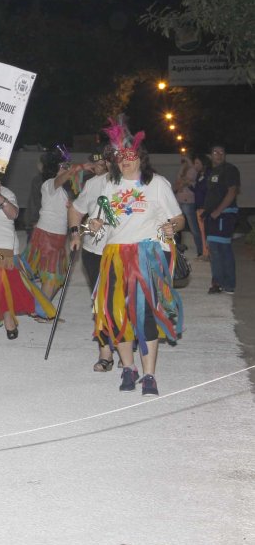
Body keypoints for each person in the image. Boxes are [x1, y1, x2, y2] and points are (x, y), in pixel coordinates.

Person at [78, 117, 184, 396]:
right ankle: (128, 368)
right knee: (116, 313)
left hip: (145, 254)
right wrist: (90, 226)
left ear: (141, 158)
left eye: (131, 156)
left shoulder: (157, 184)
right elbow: (96, 222)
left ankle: (149, 375)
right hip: (114, 255)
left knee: (146, 313)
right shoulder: (109, 187)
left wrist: (172, 227)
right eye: (121, 157)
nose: (126, 161)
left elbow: (179, 218)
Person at [0, 177, 55, 342]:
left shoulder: (6, 193)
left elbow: (14, 214)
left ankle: (9, 321)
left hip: (2, 248)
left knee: (0, 288)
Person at [67, 150, 118, 371]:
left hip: (126, 251)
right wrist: (75, 233)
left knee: (125, 299)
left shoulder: (136, 184)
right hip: (95, 252)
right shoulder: (95, 183)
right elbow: (76, 211)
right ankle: (105, 352)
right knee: (102, 301)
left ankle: (127, 337)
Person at [21, 150, 80, 305]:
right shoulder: (49, 184)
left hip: (58, 236)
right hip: (48, 235)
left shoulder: (61, 191)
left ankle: (42, 308)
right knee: (52, 275)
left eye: (66, 165)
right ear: (54, 167)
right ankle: (41, 311)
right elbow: (64, 177)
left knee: (57, 276)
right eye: (62, 166)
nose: (65, 168)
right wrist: (80, 167)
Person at [203, 145, 240, 295]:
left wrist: (218, 211)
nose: (218, 154)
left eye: (221, 152)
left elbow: (232, 192)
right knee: (215, 249)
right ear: (211, 155)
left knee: (221, 249)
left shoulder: (229, 169)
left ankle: (225, 283)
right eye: (215, 152)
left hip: (224, 214)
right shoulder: (212, 172)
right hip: (212, 215)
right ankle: (220, 282)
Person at [174, 154, 200, 256]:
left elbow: (185, 181)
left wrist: (181, 182)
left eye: (185, 159)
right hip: (179, 200)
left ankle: (201, 250)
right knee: (177, 225)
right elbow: (178, 182)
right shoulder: (183, 169)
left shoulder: (193, 170)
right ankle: (178, 246)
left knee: (193, 227)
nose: (183, 161)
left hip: (188, 201)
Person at [192, 153, 212, 262]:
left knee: (207, 231)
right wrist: (191, 186)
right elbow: (197, 190)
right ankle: (205, 253)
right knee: (202, 231)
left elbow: (208, 190)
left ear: (204, 163)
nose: (195, 165)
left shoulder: (209, 174)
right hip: (199, 206)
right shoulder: (199, 174)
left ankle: (208, 253)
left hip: (206, 207)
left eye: (197, 163)